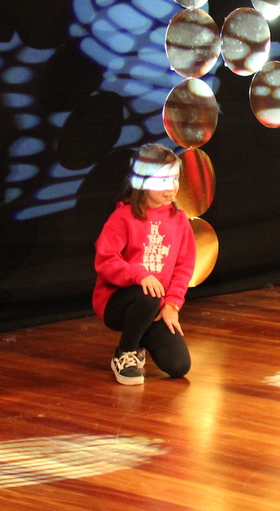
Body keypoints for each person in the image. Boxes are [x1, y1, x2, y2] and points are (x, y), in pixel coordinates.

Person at [93, 144, 195, 385]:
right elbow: (105, 260)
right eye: (163, 181)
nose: (171, 187)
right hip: (118, 301)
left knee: (179, 365)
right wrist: (138, 275)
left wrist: (172, 305)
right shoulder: (123, 216)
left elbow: (184, 266)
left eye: (175, 179)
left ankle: (141, 333)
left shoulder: (179, 219)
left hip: (155, 303)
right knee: (148, 294)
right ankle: (126, 353)